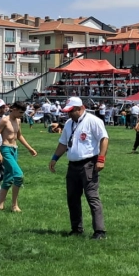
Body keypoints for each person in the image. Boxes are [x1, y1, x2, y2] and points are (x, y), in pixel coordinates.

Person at [48, 97, 109, 240]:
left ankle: (99, 231)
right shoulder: (69, 123)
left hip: (89, 163)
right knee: (72, 198)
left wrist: (101, 159)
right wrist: (55, 158)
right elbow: (63, 143)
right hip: (73, 165)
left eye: (71, 111)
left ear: (80, 108)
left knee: (92, 197)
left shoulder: (93, 121)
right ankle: (76, 228)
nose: (69, 114)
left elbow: (104, 138)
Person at [0, 101, 38, 212]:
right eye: (20, 112)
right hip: (5, 149)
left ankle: (0, 204)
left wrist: (30, 148)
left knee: (8, 178)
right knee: (18, 176)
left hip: (14, 149)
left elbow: (19, 136)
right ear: (14, 109)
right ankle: (14, 205)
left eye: (23, 113)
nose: (21, 115)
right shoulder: (5, 120)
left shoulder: (18, 121)